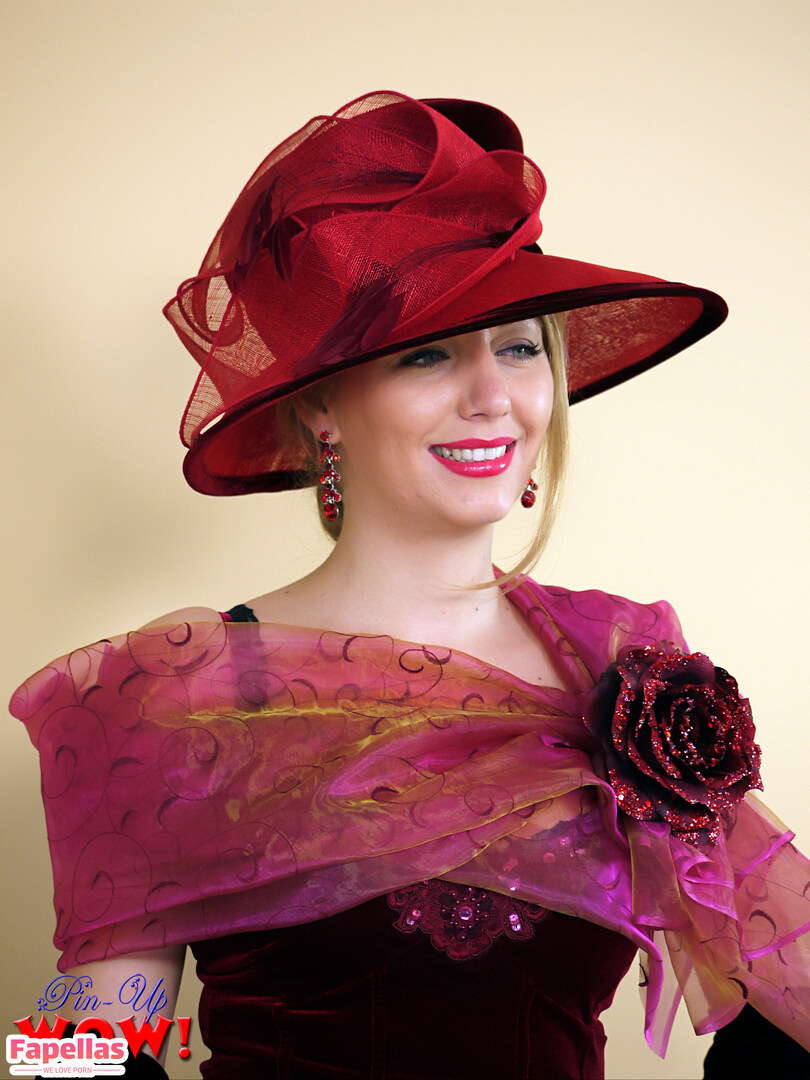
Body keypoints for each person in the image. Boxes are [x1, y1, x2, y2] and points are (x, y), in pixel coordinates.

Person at [11, 91, 810, 1080]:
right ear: (322, 408)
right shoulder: (172, 694)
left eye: (519, 346)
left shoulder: (627, 670)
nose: (492, 395)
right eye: (428, 353)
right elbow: (84, 1053)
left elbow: (781, 994)